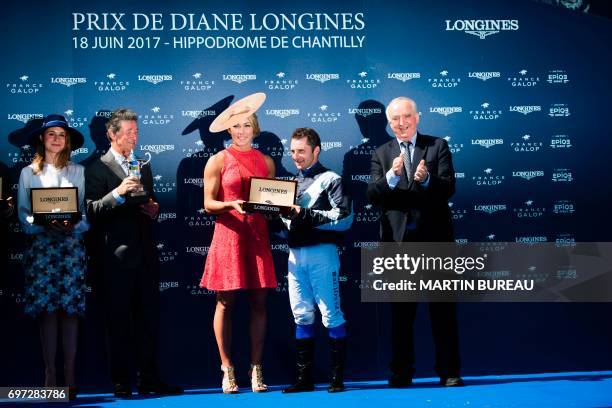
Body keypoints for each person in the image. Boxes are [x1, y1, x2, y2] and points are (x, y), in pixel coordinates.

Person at [85, 108, 182, 397]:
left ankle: (149, 379)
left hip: (146, 255)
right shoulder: (95, 168)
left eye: (136, 132)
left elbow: (147, 202)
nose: (134, 137)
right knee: (118, 323)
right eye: (128, 132)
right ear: (111, 135)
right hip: (115, 258)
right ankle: (121, 382)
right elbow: (90, 210)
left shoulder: (144, 164)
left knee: (148, 322)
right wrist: (117, 193)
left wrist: (153, 209)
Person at [366, 97, 463, 387]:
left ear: (418, 117)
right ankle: (401, 373)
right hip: (399, 246)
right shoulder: (381, 153)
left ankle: (449, 372)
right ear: (388, 122)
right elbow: (372, 195)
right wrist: (392, 176)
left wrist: (428, 179)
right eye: (395, 119)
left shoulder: (437, 146)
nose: (401, 123)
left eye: (407, 116)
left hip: (436, 242)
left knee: (442, 311)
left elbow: (450, 187)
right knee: (401, 314)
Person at [200, 93, 277, 394]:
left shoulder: (266, 161)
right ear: (229, 130)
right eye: (237, 126)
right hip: (229, 237)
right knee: (225, 303)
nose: (242, 130)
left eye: (247, 124)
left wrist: (276, 208)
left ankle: (256, 369)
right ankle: (227, 368)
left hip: (257, 237)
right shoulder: (217, 160)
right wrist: (231, 204)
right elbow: (208, 203)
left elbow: (271, 200)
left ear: (254, 127)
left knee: (259, 304)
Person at [17, 114, 89, 400]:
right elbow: (24, 214)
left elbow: (83, 211)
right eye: (51, 134)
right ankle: (50, 373)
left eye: (62, 134)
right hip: (42, 248)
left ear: (67, 140)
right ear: (41, 139)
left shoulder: (78, 171)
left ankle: (70, 373)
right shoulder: (27, 173)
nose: (57, 138)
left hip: (71, 247)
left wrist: (74, 224)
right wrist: (41, 222)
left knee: (70, 311)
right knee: (47, 311)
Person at [281, 128, 353, 393]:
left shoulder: (332, 179)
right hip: (295, 256)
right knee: (301, 316)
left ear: (316, 150)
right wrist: (269, 216)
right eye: (292, 151)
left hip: (323, 253)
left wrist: (306, 215)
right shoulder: (288, 184)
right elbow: (284, 227)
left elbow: (345, 218)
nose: (296, 156)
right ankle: (304, 379)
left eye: (301, 151)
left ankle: (337, 378)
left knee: (331, 315)